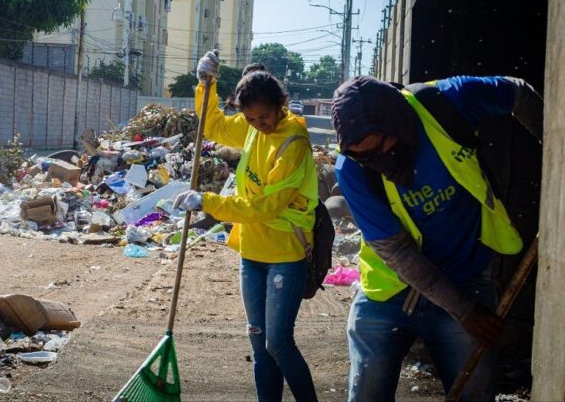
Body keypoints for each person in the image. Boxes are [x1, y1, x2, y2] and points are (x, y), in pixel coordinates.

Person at [331, 76, 543, 401]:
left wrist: (556, 148)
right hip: (388, 292)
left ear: (398, 122)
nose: (376, 163)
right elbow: (396, 250)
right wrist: (465, 312)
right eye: (363, 156)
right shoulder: (351, 169)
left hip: (466, 280)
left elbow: (519, 93)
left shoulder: (447, 102)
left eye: (379, 149)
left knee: (474, 395)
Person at [173, 51, 320, 402]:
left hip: (286, 252)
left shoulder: (293, 141)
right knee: (258, 340)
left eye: (265, 116)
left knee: (279, 343)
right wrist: (204, 84)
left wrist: (209, 202)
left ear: (281, 104)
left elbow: (264, 206)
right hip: (252, 252)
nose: (259, 124)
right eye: (251, 119)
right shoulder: (252, 127)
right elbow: (215, 127)